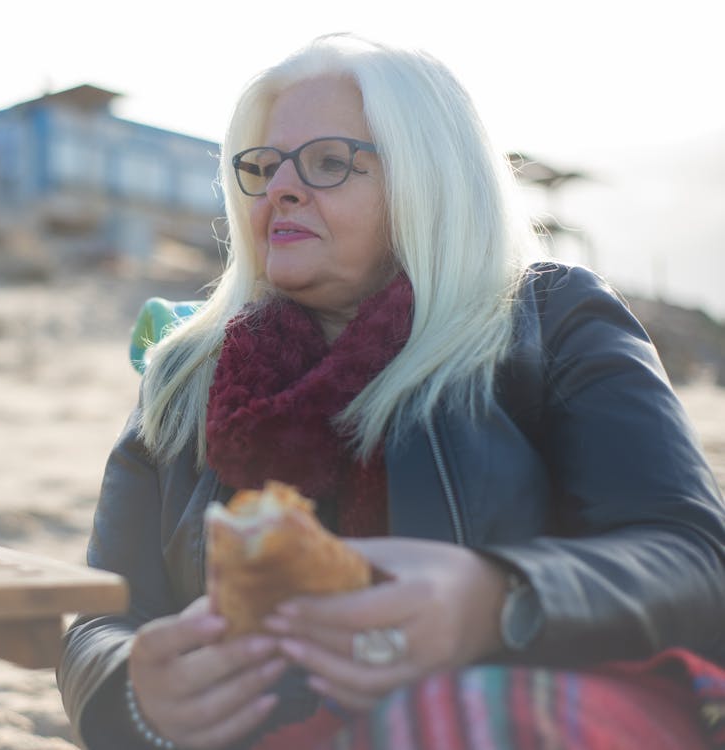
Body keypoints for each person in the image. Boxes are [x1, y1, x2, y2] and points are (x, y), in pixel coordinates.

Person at [57, 32, 725, 750]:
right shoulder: (185, 370)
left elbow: (693, 558)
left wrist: (496, 598)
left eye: (327, 162)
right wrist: (133, 687)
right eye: (261, 166)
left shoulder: (552, 322)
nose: (281, 187)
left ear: (428, 179)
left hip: (505, 710)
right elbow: (100, 614)